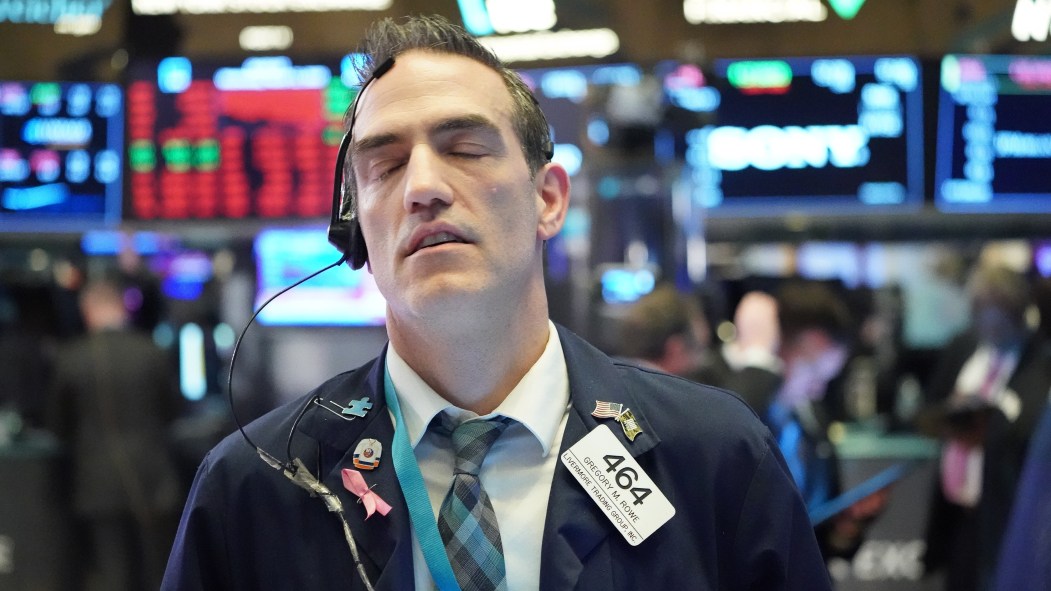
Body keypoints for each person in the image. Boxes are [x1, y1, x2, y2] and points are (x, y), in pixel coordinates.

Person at [162, 15, 831, 591]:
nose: (422, 186)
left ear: (548, 199)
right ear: (354, 226)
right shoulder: (258, 486)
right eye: (386, 165)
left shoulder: (714, 457)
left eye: (464, 148)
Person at [700, 281, 886, 561]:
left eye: (826, 377)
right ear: (776, 345)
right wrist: (759, 360)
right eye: (811, 370)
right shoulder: (705, 387)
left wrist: (846, 530)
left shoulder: (808, 415)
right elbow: (719, 441)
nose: (817, 389)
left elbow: (816, 528)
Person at [919, 264, 1051, 591]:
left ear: (1018, 312)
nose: (990, 323)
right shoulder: (963, 348)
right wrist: (952, 415)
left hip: (1006, 507)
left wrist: (992, 431)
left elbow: (1033, 432)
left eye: (999, 312)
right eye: (982, 311)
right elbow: (927, 408)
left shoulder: (1040, 362)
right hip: (958, 511)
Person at [47, 277, 184, 591]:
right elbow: (174, 411)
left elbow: (57, 425)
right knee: (161, 573)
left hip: (96, 483)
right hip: (154, 480)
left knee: (112, 574)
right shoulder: (151, 351)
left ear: (88, 311)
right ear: (123, 308)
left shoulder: (71, 357)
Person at [614, 282, 712, 378]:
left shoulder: (606, 378)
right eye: (699, 350)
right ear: (675, 349)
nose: (700, 361)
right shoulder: (678, 392)